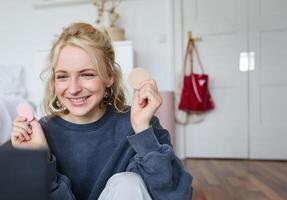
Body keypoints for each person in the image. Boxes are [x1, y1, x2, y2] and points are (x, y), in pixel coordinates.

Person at [10, 22, 192, 200]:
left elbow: (176, 195)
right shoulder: (41, 133)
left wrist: (143, 132)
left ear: (109, 77)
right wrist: (39, 159)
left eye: (87, 74)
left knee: (128, 183)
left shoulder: (138, 124)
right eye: (63, 76)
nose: (73, 89)